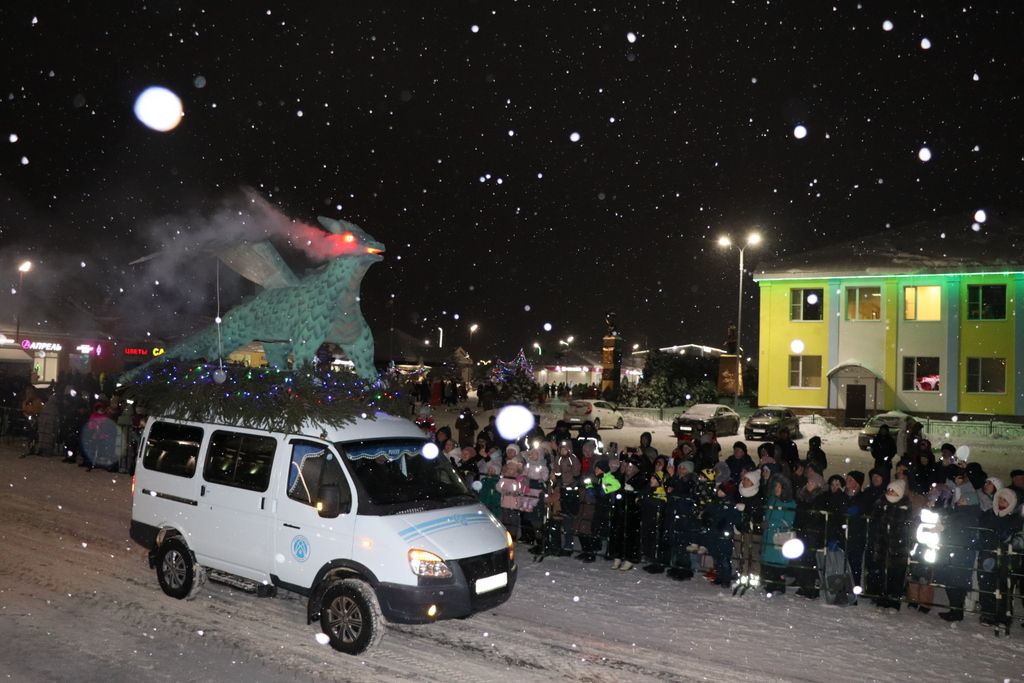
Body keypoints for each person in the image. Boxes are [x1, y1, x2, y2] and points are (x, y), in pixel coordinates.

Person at [933, 482, 980, 622]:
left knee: (956, 582)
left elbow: (958, 532)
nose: (960, 501)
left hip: (960, 553)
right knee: (952, 581)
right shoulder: (959, 514)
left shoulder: (967, 516)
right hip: (954, 551)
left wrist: (944, 529)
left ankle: (957, 610)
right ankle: (955, 609)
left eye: (963, 500)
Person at [866, 479, 914, 610]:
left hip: (898, 547)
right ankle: (882, 598)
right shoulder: (881, 503)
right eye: (889, 491)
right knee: (882, 573)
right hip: (882, 545)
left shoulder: (905, 506)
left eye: (893, 491)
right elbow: (874, 519)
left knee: (896, 575)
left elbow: (907, 526)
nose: (890, 493)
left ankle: (894, 601)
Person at [977, 488, 1022, 626]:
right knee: (986, 584)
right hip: (988, 554)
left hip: (1006, 558)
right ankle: (988, 613)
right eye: (1000, 499)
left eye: (1005, 500)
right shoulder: (988, 515)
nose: (1001, 502)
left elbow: (1018, 539)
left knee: (1004, 586)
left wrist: (1009, 541)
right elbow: (982, 533)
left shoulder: (1016, 519)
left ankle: (1003, 615)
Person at [760, 474, 796, 594]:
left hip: (780, 536)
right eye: (776, 486)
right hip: (769, 535)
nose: (776, 489)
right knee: (770, 563)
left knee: (778, 564)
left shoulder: (790, 503)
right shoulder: (772, 499)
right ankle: (771, 584)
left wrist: (771, 524)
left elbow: (787, 522)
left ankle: (779, 586)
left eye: (779, 487)